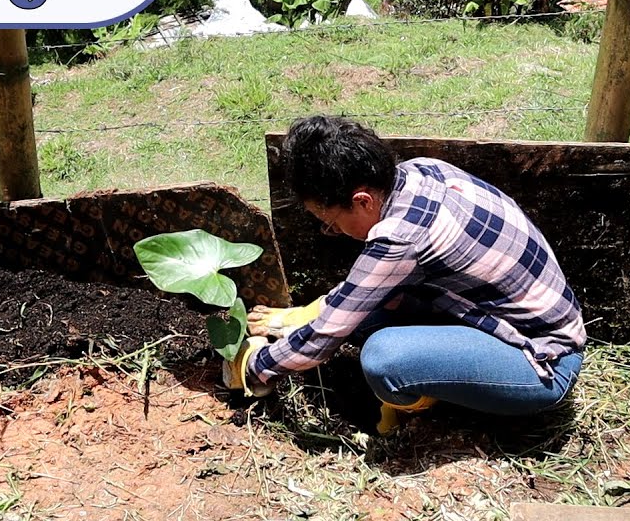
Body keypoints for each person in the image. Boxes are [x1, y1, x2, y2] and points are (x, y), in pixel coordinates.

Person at [222, 115, 587, 433]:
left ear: (363, 201)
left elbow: (322, 341)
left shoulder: (400, 240)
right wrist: (298, 318)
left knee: (384, 358)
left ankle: (418, 416)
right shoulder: (421, 171)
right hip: (515, 319)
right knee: (373, 310)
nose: (333, 232)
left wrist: (254, 368)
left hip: (544, 362)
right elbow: (361, 292)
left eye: (331, 223)